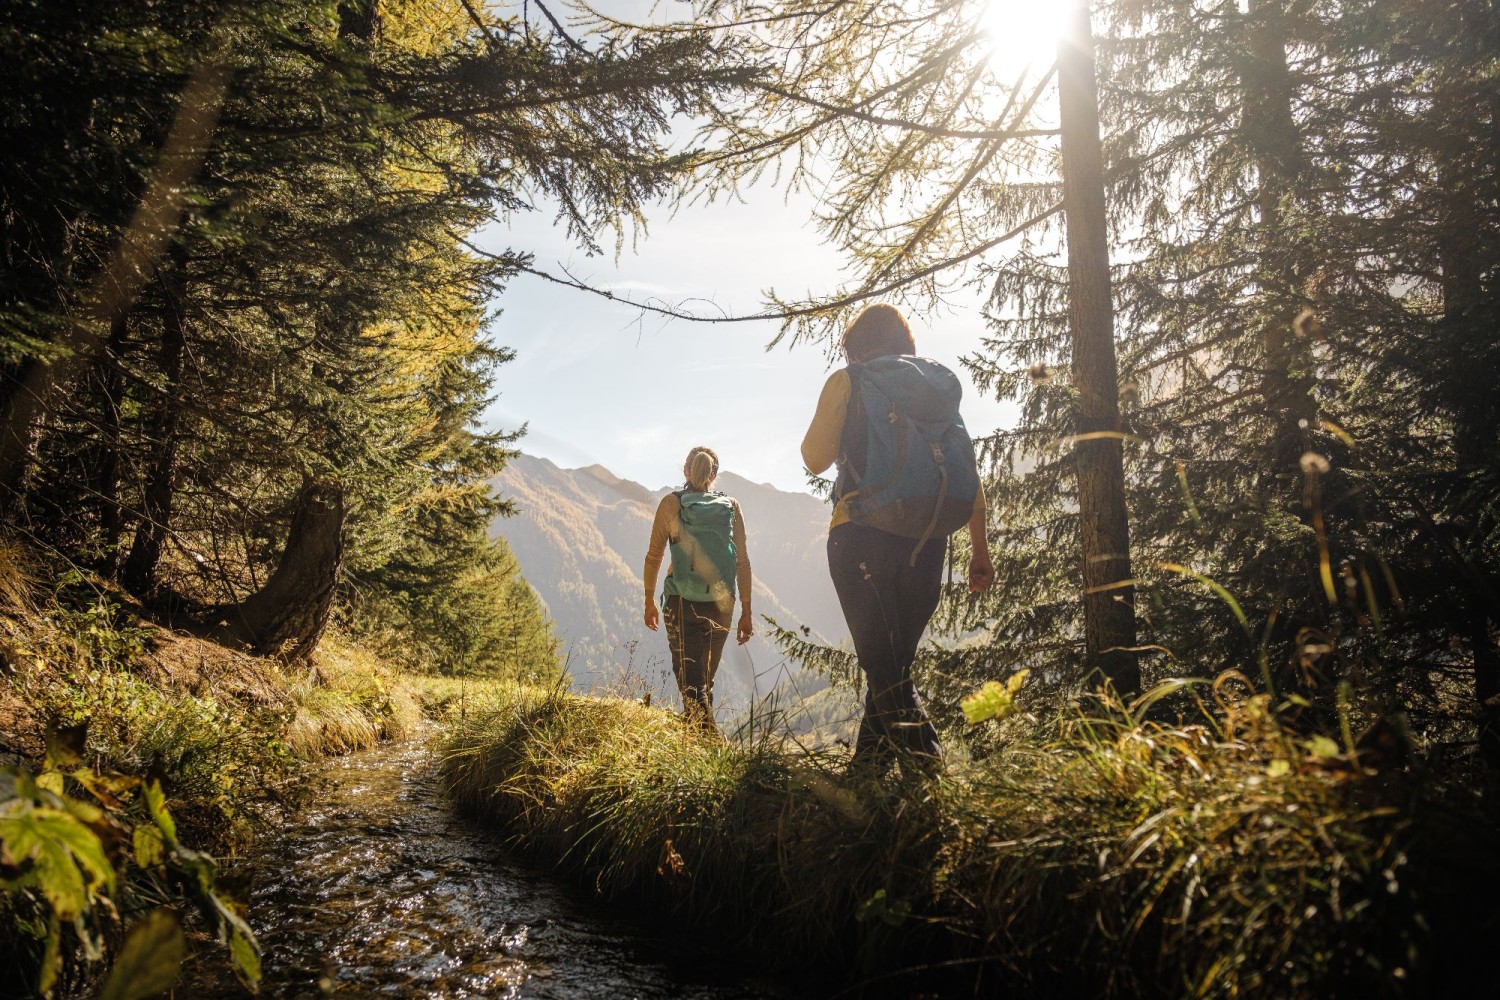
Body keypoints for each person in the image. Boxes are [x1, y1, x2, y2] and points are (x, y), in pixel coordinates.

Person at [801, 304, 994, 776]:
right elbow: (968, 473)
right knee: (894, 664)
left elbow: (814, 459)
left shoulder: (850, 380)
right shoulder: (934, 393)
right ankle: (866, 773)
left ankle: (929, 770)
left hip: (860, 533)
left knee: (884, 667)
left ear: (857, 346)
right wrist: (980, 551)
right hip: (929, 537)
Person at [643, 446, 754, 733]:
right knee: (704, 681)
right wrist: (746, 611)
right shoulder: (731, 505)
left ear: (686, 471)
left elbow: (654, 556)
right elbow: (742, 561)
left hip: (682, 603)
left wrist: (649, 601)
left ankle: (715, 752)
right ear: (714, 474)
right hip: (722, 605)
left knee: (692, 688)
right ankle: (696, 751)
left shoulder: (672, 504)